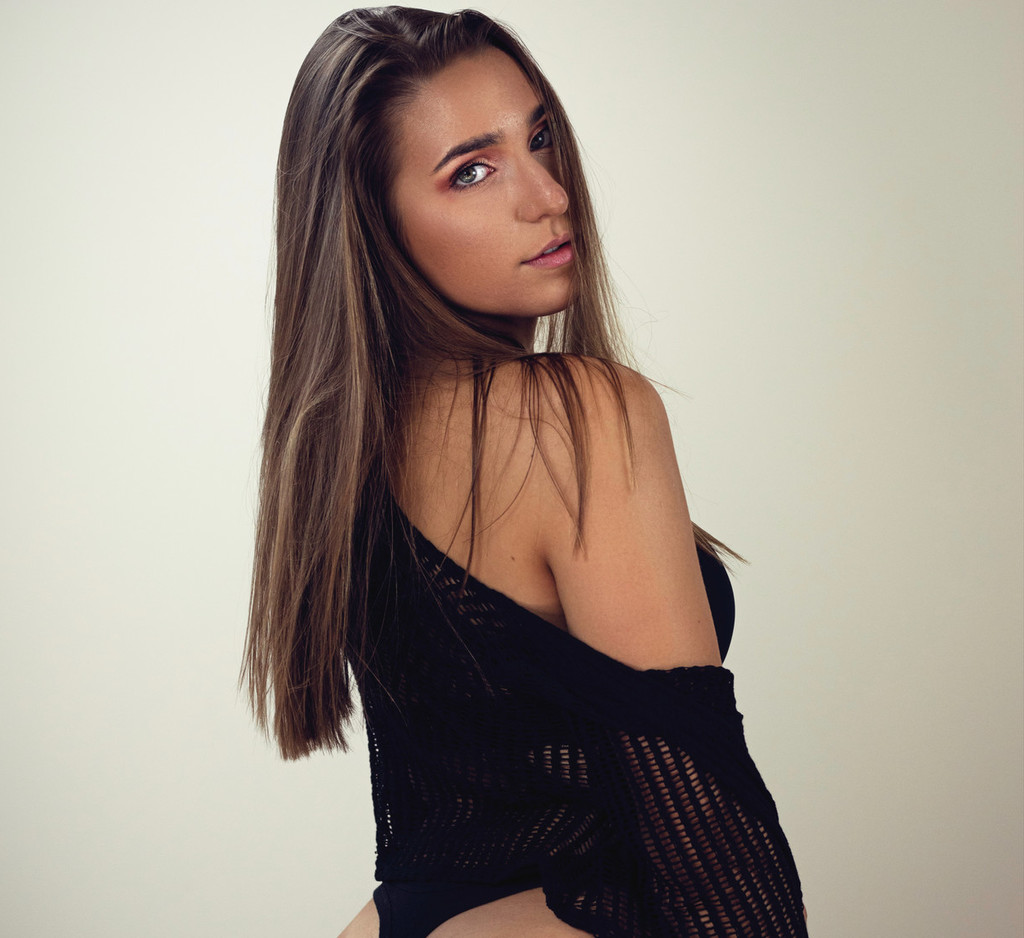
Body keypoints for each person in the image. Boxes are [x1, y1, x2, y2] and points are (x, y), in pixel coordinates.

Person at [241, 7, 807, 937]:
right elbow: (714, 857)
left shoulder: (344, 458)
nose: (548, 195)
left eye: (539, 139)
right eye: (471, 171)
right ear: (376, 227)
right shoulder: (577, 417)